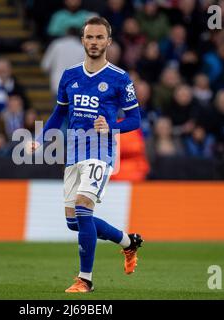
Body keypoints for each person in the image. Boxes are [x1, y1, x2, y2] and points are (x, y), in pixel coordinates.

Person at [28, 17, 143, 293]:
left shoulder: (119, 78)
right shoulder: (70, 75)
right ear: (82, 40)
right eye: (89, 37)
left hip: (100, 152)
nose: (94, 42)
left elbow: (135, 119)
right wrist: (41, 139)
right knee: (74, 222)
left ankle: (85, 279)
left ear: (109, 42)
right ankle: (129, 243)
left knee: (83, 207)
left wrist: (112, 126)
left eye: (99, 37)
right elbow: (59, 114)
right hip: (74, 152)